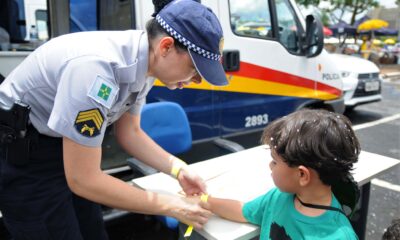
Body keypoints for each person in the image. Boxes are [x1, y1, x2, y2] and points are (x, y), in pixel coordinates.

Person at [0, 0, 228, 239]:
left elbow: (131, 133)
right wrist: (172, 205)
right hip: (25, 156)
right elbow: (83, 179)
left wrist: (179, 170)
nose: (196, 80)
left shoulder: (146, 63)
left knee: (93, 232)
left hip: (68, 148)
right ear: (166, 47)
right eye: (194, 69)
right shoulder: (96, 70)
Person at [202, 109, 361, 240]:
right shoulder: (278, 197)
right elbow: (243, 211)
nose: (270, 166)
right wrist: (204, 201)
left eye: (275, 162)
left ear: (302, 175)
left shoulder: (340, 236)